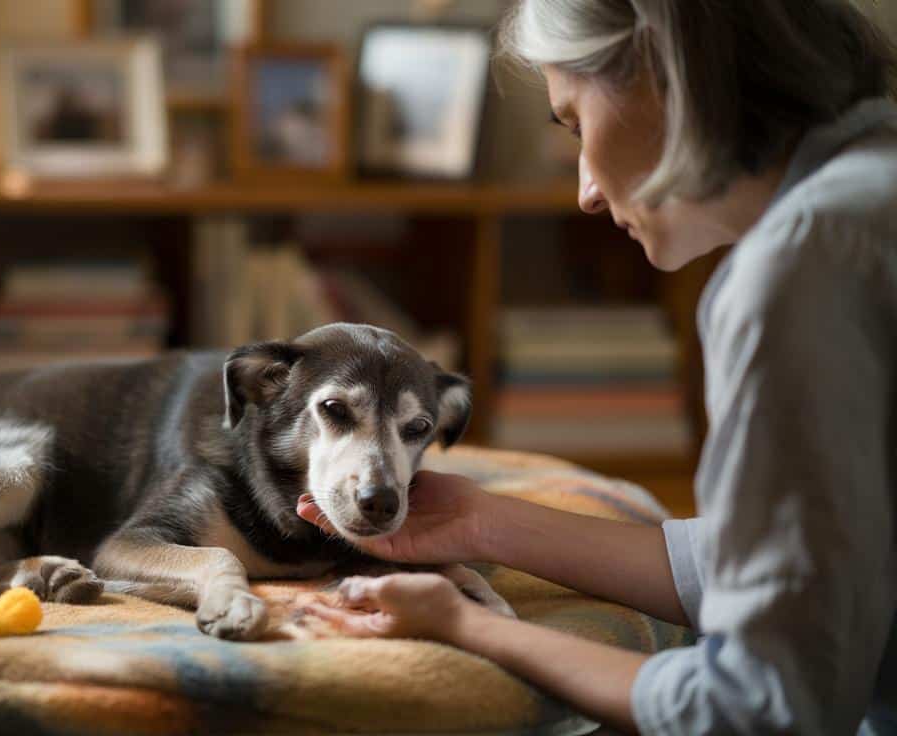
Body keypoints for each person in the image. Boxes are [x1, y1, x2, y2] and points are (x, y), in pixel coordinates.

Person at [296, 1, 897, 733]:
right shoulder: (872, 196)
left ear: (664, 67)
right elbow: (805, 568)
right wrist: (484, 521)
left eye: (576, 123)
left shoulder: (799, 267)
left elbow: (760, 708)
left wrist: (472, 629)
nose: (584, 190)